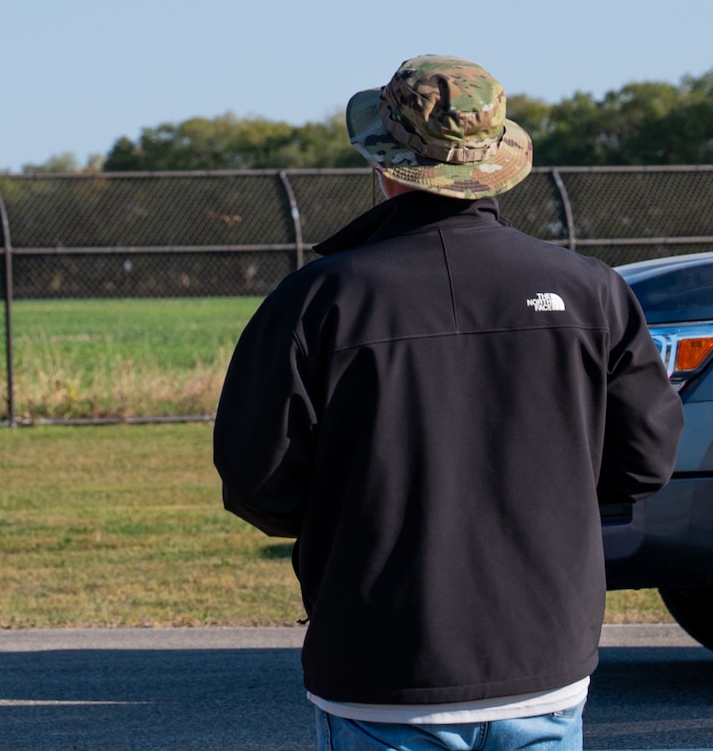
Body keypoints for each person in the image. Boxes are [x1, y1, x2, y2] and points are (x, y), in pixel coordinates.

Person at [214, 54, 684, 751]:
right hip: (545, 657)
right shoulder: (590, 290)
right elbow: (643, 461)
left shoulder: (317, 302)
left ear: (384, 161)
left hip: (383, 666)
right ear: (496, 157)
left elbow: (261, 484)